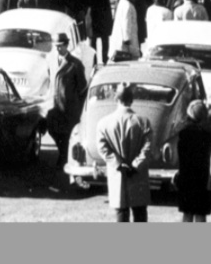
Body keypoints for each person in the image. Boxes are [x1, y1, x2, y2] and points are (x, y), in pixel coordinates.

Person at [95, 83, 153, 222]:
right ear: (131, 100)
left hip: (118, 174)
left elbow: (102, 147)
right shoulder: (143, 122)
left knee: (121, 212)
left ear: (116, 99)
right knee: (140, 214)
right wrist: (135, 164)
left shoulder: (103, 123)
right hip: (138, 175)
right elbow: (148, 147)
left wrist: (119, 163)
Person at [46, 32, 88, 168]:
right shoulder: (52, 61)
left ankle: (64, 157)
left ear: (67, 45)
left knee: (68, 135)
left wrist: (78, 108)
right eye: (56, 46)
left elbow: (83, 89)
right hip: (57, 107)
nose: (58, 49)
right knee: (51, 127)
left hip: (70, 109)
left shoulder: (75, 64)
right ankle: (63, 153)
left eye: (60, 46)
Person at [174, 100, 211, 222]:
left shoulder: (183, 133)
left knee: (187, 214)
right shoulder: (209, 134)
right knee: (200, 214)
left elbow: (179, 157)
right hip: (203, 178)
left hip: (186, 177)